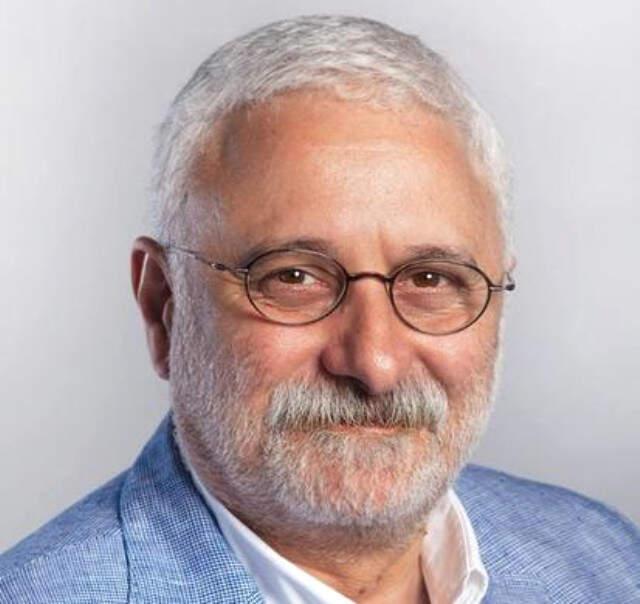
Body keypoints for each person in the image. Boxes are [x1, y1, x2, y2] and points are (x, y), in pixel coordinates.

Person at [1, 14, 638, 604]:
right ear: (163, 306)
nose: (374, 362)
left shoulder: (607, 561)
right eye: (294, 277)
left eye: (431, 278)